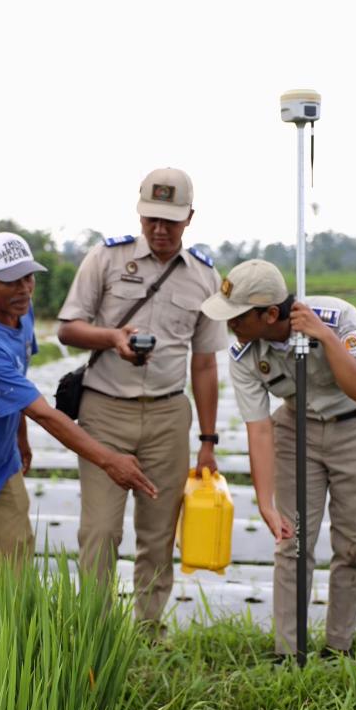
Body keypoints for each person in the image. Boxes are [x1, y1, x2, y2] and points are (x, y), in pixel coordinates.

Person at [0, 232, 157, 574]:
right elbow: (42, 413)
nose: (24, 289)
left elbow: (19, 382)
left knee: (14, 565)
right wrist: (109, 461)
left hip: (1, 462)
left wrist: (19, 439)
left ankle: (10, 630)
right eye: (10, 281)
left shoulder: (21, 311)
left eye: (28, 277)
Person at [57, 167, 228, 627]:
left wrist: (208, 440)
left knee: (157, 533)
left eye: (170, 220)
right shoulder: (106, 260)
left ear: (189, 218)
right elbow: (68, 329)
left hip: (169, 417)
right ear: (139, 212)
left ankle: (149, 628)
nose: (159, 229)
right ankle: (94, 627)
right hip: (104, 412)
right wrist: (112, 338)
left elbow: (206, 363)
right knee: (100, 529)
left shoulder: (205, 277)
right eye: (151, 218)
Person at [200, 259, 356, 661]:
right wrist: (266, 503)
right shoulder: (244, 353)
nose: (230, 324)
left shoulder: (336, 317)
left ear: (270, 314)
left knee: (353, 545)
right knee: (291, 540)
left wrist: (324, 337)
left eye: (237, 317)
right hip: (294, 428)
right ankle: (288, 651)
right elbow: (259, 428)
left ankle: (339, 646)